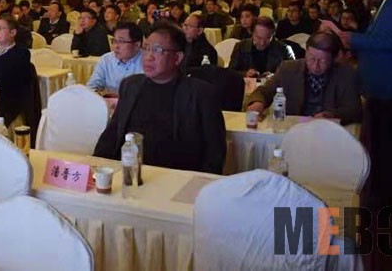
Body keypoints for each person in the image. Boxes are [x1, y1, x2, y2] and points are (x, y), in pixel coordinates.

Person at [322, 0, 392, 208]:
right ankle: (381, 187)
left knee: (389, 143)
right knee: (380, 141)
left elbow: (389, 41)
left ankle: (389, 194)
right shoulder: (384, 6)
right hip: (379, 86)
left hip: (388, 86)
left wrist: (353, 38)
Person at [93, 22, 226, 174]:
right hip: (130, 173)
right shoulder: (131, 85)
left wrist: (201, 184)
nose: (148, 57)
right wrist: (97, 168)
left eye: (157, 50)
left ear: (177, 58)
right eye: (146, 48)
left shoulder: (200, 93)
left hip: (177, 176)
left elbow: (215, 151)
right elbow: (113, 133)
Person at [246, 32, 361, 125]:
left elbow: (354, 110)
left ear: (333, 59)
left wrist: (332, 115)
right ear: (306, 52)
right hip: (294, 127)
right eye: (311, 58)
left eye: (322, 61)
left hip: (327, 130)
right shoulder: (288, 68)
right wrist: (258, 102)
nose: (315, 66)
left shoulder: (346, 74)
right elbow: (265, 91)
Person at [86, 22, 144, 95]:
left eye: (121, 41)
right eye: (114, 41)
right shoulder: (106, 59)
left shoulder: (149, 62)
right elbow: (92, 87)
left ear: (137, 45)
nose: (116, 46)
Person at [229, 16, 295, 77]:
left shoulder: (284, 50)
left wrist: (275, 76)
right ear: (252, 33)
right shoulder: (241, 47)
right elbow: (230, 72)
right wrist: (245, 73)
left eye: (268, 38)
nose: (262, 43)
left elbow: (293, 74)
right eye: (259, 38)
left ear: (273, 35)